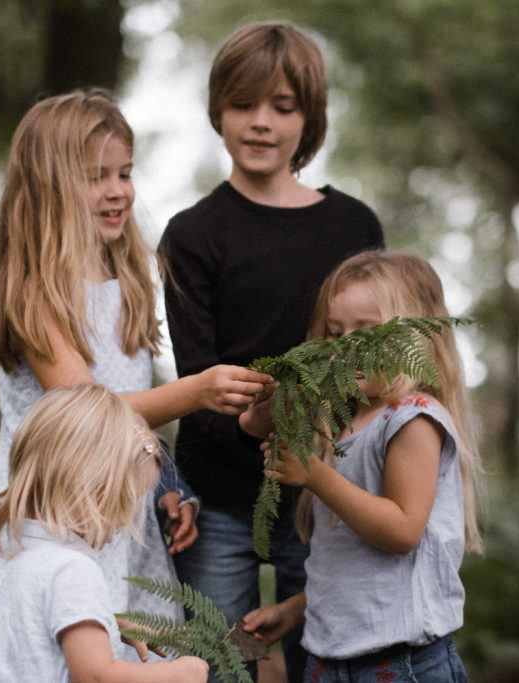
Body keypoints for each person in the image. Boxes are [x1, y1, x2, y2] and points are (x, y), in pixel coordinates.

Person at [0, 88, 273, 681]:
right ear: (49, 188)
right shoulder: (37, 294)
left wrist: (164, 484)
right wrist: (195, 392)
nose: (118, 190)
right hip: (52, 512)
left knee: (126, 653)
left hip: (117, 511)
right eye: (96, 177)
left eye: (124, 173)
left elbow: (134, 425)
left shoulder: (128, 283)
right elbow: (90, 411)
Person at [158, 21, 384, 682]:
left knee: (326, 663)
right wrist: (249, 425)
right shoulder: (192, 235)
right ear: (218, 111)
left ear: (309, 119)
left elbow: (371, 363)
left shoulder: (354, 227)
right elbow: (195, 380)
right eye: (243, 104)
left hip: (324, 497)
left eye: (282, 107)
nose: (260, 122)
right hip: (218, 503)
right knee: (225, 663)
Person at [241, 250, 484, 682]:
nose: (346, 347)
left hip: (402, 663)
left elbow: (402, 532)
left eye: (366, 332)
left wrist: (316, 476)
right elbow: (355, 566)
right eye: (334, 334)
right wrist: (296, 610)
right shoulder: (338, 422)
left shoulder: (412, 417)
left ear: (414, 339)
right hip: (328, 659)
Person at [0, 384, 210, 682]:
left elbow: (36, 625)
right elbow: (96, 676)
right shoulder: (72, 570)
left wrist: (109, 622)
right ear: (91, 490)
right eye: (126, 503)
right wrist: (177, 673)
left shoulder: (16, 552)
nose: (125, 522)